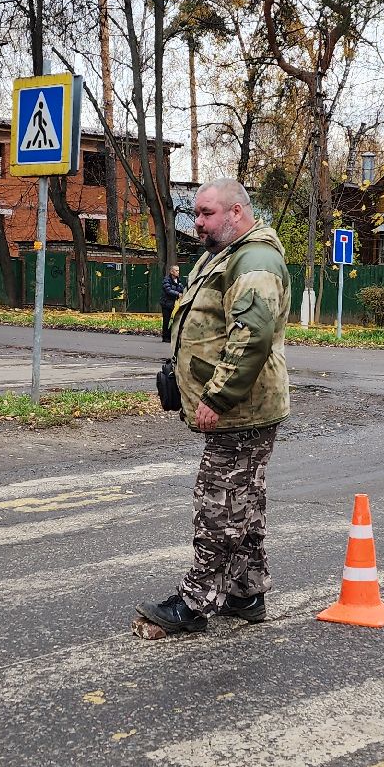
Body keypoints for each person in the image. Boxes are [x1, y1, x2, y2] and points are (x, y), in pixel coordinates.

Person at [136, 178, 290, 640]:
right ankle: (245, 592)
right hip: (241, 407)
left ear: (236, 212)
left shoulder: (254, 260)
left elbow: (252, 338)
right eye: (196, 214)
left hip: (239, 409)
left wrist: (217, 397)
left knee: (218, 506)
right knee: (244, 501)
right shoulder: (224, 254)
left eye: (206, 213)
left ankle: (195, 602)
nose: (198, 223)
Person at [159, 264, 185, 339]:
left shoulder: (178, 280)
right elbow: (168, 290)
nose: (178, 272)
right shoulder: (166, 280)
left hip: (174, 303)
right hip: (166, 303)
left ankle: (169, 335)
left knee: (176, 319)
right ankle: (165, 337)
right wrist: (178, 294)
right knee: (166, 321)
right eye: (176, 270)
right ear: (171, 272)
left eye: (178, 270)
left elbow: (182, 289)